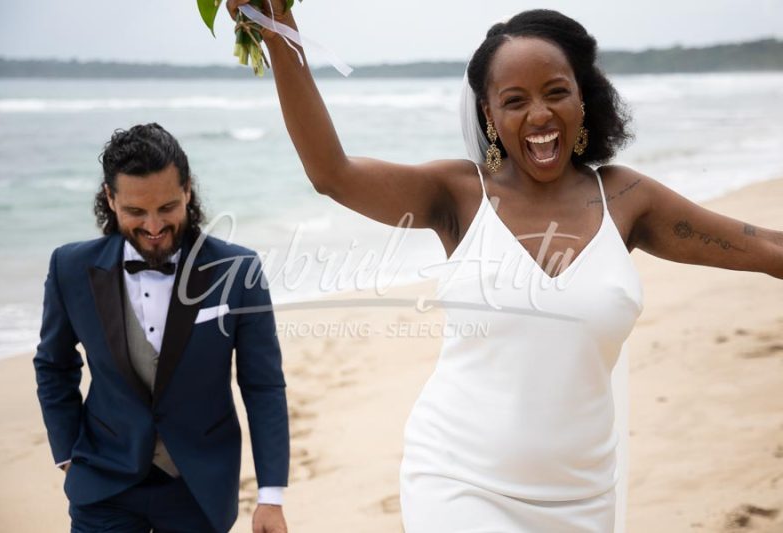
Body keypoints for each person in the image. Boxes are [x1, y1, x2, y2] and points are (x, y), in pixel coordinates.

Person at [227, 3, 783, 531]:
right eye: (515, 100)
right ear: (489, 115)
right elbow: (333, 173)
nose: (539, 114)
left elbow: (764, 249)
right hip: (459, 482)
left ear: (583, 99)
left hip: (582, 499)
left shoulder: (629, 200)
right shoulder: (456, 196)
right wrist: (279, 31)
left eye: (556, 93)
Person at [33, 123, 290, 533]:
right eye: (135, 211)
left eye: (167, 207)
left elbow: (262, 385)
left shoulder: (239, 271)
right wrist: (65, 452)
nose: (153, 227)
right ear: (110, 199)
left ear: (188, 191)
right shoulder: (69, 268)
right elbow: (53, 365)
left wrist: (270, 496)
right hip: (104, 484)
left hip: (199, 488)